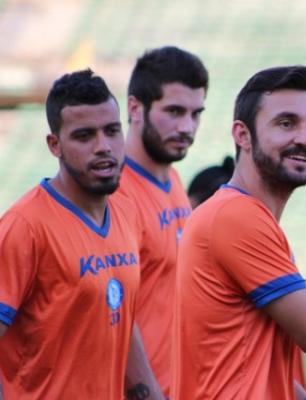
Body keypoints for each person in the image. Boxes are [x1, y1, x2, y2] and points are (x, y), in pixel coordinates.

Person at [172, 65, 306, 400]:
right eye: (286, 123)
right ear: (242, 135)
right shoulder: (236, 217)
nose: (305, 138)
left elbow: (254, 364)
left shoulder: (243, 215)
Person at [0, 69, 161, 399]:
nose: (103, 147)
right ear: (54, 145)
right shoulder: (24, 226)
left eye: (112, 131)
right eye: (84, 135)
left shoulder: (126, 213)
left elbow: (121, 319)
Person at [112, 46, 208, 397]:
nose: (187, 127)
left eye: (196, 114)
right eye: (174, 111)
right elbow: (114, 313)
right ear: (135, 108)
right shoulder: (115, 193)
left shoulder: (174, 182)